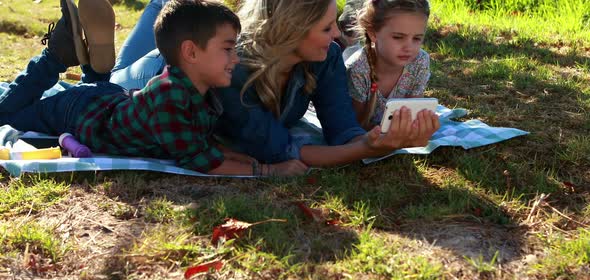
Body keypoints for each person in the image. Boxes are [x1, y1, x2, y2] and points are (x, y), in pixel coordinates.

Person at [110, 0, 439, 167]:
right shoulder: (233, 73)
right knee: (111, 82)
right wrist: (367, 148)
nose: (338, 35)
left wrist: (375, 140)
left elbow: (343, 131)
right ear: (291, 29)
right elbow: (280, 151)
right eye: (326, 28)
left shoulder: (325, 59)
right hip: (162, 68)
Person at [0, 0, 307, 176]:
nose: (235, 59)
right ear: (191, 53)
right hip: (79, 113)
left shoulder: (199, 88)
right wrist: (268, 171)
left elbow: (202, 144)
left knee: (92, 91)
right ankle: (55, 56)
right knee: (7, 113)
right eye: (227, 49)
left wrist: (248, 159)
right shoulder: (171, 95)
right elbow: (200, 160)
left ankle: (96, 69)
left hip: (106, 101)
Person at [345, 0, 438, 144]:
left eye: (417, 38)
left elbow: (413, 113)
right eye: (398, 37)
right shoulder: (359, 68)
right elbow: (354, 125)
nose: (409, 47)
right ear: (373, 33)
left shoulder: (419, 61)